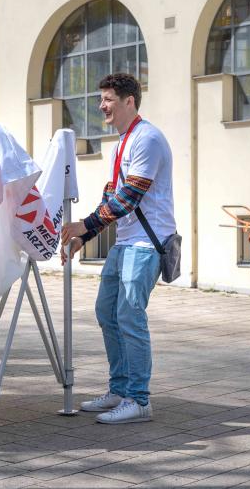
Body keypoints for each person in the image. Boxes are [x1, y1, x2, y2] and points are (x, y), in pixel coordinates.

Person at [60, 73, 175, 425]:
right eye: (101, 99)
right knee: (107, 312)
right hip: (125, 243)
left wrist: (85, 224)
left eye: (108, 99)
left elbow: (130, 196)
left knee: (129, 316)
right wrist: (85, 238)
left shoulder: (148, 139)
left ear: (129, 101)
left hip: (146, 244)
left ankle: (139, 400)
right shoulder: (120, 144)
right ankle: (120, 390)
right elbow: (112, 197)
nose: (102, 106)